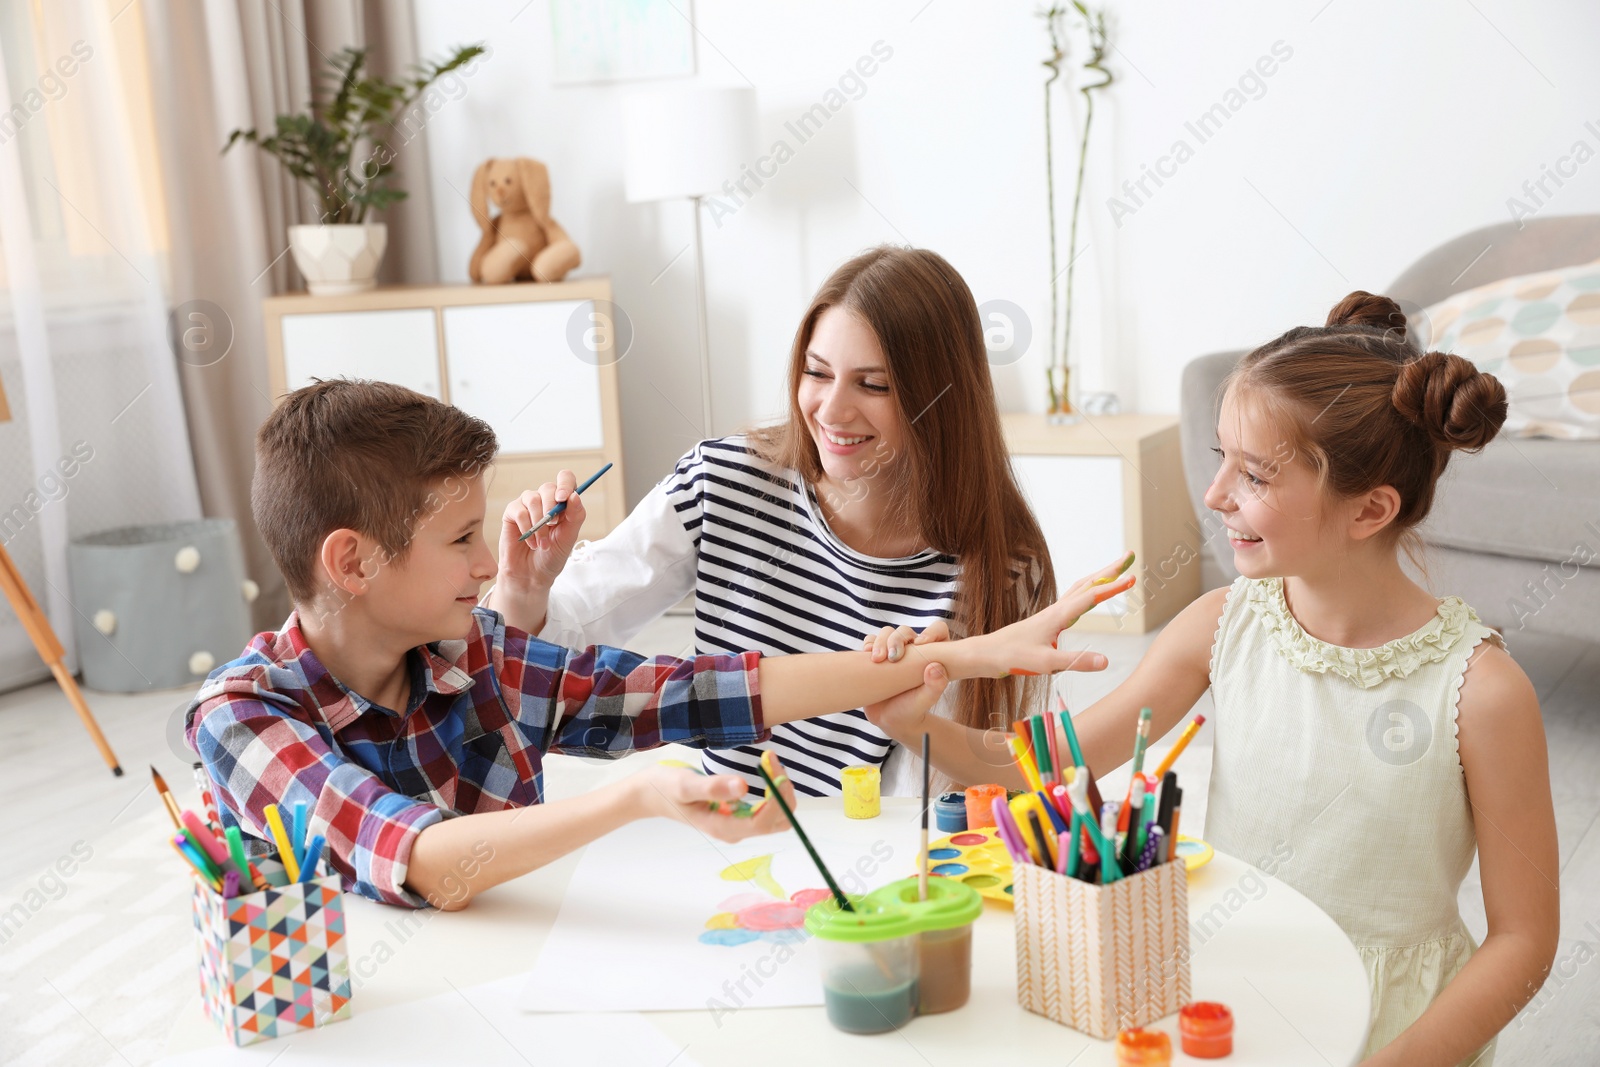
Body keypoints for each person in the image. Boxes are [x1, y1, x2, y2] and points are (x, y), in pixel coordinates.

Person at [868, 292, 1558, 1064]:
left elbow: (1525, 939)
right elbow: (1049, 764)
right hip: (1237, 992)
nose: (1216, 492)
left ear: (1370, 510)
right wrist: (915, 723)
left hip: (1397, 1028)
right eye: (1218, 457)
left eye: (1255, 474)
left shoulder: (1481, 690)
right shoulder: (1221, 624)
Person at [187, 378, 1127, 910]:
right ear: (351, 561)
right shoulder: (240, 715)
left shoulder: (470, 652)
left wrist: (959, 656)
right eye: (461, 538)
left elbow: (698, 690)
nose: (490, 557)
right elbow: (426, 858)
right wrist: (638, 794)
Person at [504, 246, 1059, 797]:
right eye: (817, 373)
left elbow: (972, 782)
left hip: (868, 850)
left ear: (941, 400)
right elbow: (550, 656)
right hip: (723, 825)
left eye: (873, 384)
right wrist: (524, 588)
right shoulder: (721, 480)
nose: (831, 410)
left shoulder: (1003, 564)